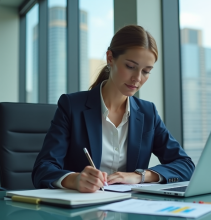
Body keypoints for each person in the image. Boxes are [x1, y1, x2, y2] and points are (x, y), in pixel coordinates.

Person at [32, 25, 195, 193]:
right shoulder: (72, 106)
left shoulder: (148, 113)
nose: (137, 78)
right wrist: (75, 179)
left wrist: (140, 176)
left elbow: (185, 165)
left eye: (146, 71)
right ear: (110, 58)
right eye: (130, 66)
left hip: (128, 209)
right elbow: (43, 169)